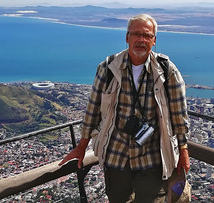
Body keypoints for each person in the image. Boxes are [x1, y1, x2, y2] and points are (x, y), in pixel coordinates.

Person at [59, 14, 190, 203]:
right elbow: (93, 109)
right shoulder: (108, 68)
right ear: (127, 37)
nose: (141, 40)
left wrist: (183, 151)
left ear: (154, 41)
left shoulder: (166, 71)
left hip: (152, 156)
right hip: (116, 155)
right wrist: (81, 146)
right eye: (136, 34)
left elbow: (179, 114)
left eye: (147, 36)